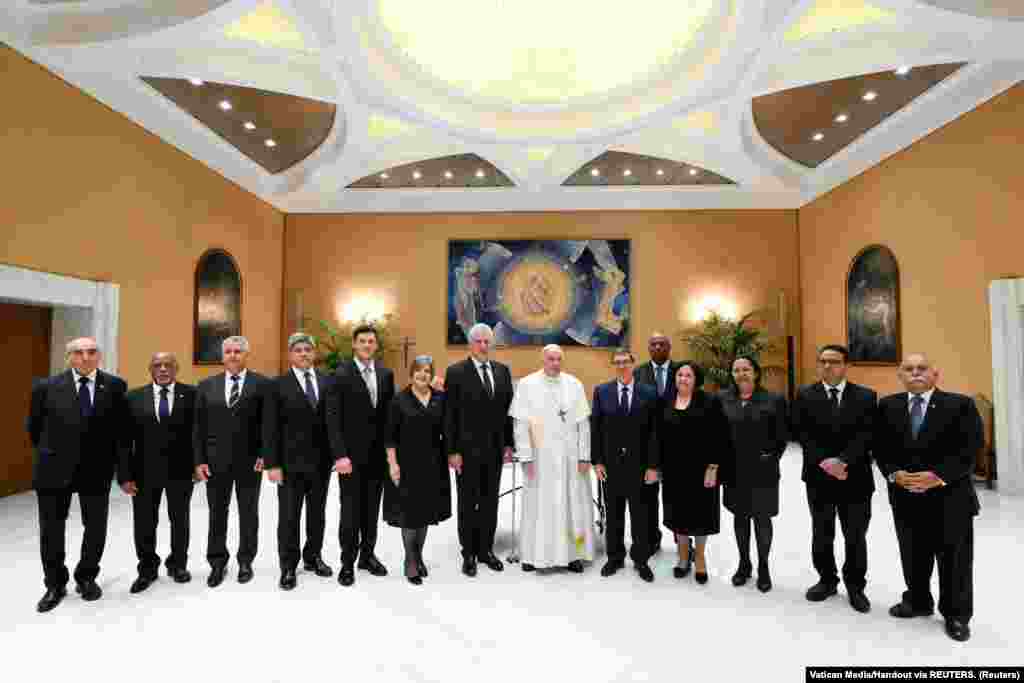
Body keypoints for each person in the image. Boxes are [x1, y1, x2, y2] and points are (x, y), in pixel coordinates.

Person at [875, 353, 982, 642]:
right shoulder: (888, 406)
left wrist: (938, 476)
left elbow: (970, 449)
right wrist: (894, 473)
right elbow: (880, 448)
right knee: (913, 556)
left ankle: (957, 615)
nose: (915, 373)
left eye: (922, 369)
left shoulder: (960, 405)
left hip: (951, 498)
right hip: (906, 497)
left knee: (955, 561)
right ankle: (918, 601)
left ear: (935, 374)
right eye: (908, 369)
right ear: (900, 376)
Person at [27, 337, 127, 612]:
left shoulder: (116, 386)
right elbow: (34, 429)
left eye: (91, 352)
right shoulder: (46, 387)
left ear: (99, 356)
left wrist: (122, 469)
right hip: (53, 469)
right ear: (69, 357)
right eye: (79, 353)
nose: (85, 357)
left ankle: (86, 577)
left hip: (96, 470)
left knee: (95, 527)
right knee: (51, 529)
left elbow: (120, 433)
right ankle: (54, 584)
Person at [791, 344, 877, 613]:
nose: (828, 366)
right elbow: (802, 432)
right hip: (819, 478)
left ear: (845, 365)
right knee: (822, 532)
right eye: (823, 361)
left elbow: (867, 435)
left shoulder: (865, 396)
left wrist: (844, 461)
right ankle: (826, 580)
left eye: (834, 361)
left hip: (856, 478)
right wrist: (826, 462)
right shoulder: (805, 394)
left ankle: (855, 586)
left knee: (855, 535)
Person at [193, 335, 270, 587]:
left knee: (249, 513)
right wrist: (199, 460)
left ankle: (246, 560)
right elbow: (198, 427)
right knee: (217, 512)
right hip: (215, 462)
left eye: (238, 351)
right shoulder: (205, 385)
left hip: (251, 462)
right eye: (229, 351)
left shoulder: (262, 384)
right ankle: (217, 562)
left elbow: (268, 424)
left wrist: (264, 454)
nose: (233, 355)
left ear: (246, 355)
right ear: (222, 355)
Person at [509, 345, 594, 573]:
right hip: (539, 458)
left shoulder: (574, 384)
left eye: (558, 359)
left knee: (572, 505)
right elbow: (520, 424)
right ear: (543, 359)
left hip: (570, 458)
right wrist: (525, 456)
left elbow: (583, 426)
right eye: (551, 359)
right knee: (538, 506)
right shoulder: (527, 385)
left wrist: (585, 456)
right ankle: (531, 555)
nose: (555, 363)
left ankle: (573, 555)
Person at [118, 352, 196, 593]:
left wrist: (198, 464)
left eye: (168, 365)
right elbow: (123, 441)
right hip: (143, 472)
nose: (163, 369)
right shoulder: (133, 397)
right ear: (150, 369)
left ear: (176, 369)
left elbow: (198, 434)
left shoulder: (192, 395)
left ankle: (178, 565)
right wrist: (124, 475)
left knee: (180, 520)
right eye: (157, 365)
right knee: (144, 523)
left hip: (181, 471)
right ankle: (147, 569)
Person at [263, 333, 335, 591]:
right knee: (289, 518)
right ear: (290, 355)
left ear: (313, 353)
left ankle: (313, 557)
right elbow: (269, 428)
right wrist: (272, 464)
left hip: (321, 464)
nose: (304, 354)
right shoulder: (277, 385)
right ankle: (288, 566)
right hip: (289, 465)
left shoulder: (327, 381)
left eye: (308, 349)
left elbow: (333, 423)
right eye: (298, 350)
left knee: (318, 515)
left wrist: (337, 455)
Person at [443, 323, 515, 577]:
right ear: (470, 344)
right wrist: (452, 451)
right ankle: (469, 552)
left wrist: (509, 444)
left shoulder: (502, 371)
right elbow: (449, 415)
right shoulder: (456, 372)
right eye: (479, 342)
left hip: (495, 450)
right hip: (466, 452)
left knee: (489, 502)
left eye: (487, 342)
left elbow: (508, 413)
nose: (484, 346)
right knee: (467, 502)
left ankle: (486, 549)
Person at [325, 324, 395, 586]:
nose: (367, 345)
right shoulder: (340, 374)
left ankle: (367, 555)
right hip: (350, 460)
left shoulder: (386, 375)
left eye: (371, 342)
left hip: (377, 458)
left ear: (375, 346)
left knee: (371, 511)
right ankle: (347, 562)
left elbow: (390, 417)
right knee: (351, 511)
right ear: (353, 345)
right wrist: (339, 455)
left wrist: (391, 455)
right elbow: (332, 418)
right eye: (362, 341)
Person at [719, 355, 788, 593]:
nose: (741, 374)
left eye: (746, 369)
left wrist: (770, 458)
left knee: (761, 519)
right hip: (734, 471)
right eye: (736, 370)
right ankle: (744, 564)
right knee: (740, 517)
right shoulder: (723, 399)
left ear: (756, 373)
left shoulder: (773, 400)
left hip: (763, 472)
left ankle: (764, 567)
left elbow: (782, 437)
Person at [658, 361, 732, 584]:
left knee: (701, 515)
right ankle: (682, 556)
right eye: (679, 374)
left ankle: (699, 557)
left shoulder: (710, 401)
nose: (683, 379)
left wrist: (713, 467)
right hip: (673, 471)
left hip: (702, 470)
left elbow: (721, 436)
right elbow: (659, 436)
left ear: (696, 379)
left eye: (688, 375)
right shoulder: (666, 401)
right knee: (678, 514)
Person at [591, 349, 660, 582]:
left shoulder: (649, 393)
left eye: (626, 362)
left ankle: (641, 559)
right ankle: (615, 557)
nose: (622, 366)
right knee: (614, 514)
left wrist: (653, 466)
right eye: (617, 362)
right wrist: (597, 461)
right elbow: (597, 429)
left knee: (640, 515)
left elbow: (655, 433)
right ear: (613, 365)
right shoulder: (602, 392)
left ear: (633, 364)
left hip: (640, 467)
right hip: (611, 466)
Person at [384, 355, 452, 585]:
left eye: (427, 371)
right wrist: (393, 465)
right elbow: (390, 438)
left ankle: (419, 556)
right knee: (409, 516)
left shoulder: (440, 398)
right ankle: (410, 561)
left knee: (424, 514)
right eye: (418, 371)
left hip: (433, 465)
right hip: (406, 464)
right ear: (411, 373)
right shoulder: (399, 400)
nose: (423, 375)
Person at [632, 332, 676, 553]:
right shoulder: (638, 372)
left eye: (662, 343)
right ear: (648, 348)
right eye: (653, 344)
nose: (658, 347)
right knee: (648, 496)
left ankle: (682, 540)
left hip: (676, 443)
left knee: (677, 494)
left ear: (669, 347)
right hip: (647, 444)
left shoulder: (681, 371)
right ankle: (652, 538)